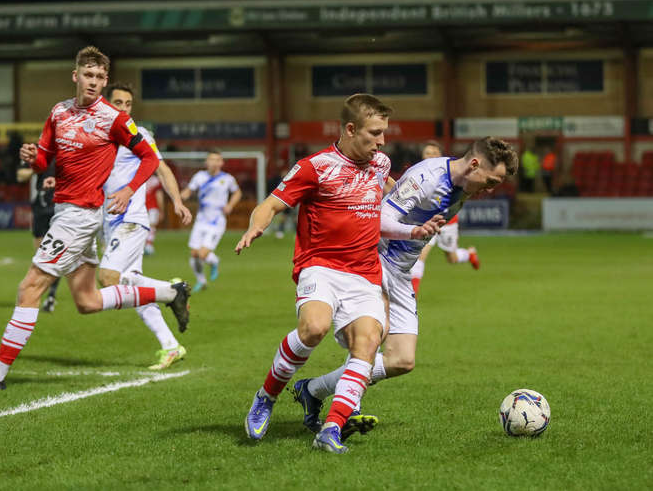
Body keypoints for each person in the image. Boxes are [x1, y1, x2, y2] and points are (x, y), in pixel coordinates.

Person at [0, 46, 191, 391]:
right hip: (66, 211)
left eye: (99, 77)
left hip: (80, 217)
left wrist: (127, 191)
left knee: (29, 287)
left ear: (105, 80)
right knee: (87, 301)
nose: (93, 82)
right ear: (75, 75)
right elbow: (44, 160)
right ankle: (169, 293)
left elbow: (150, 160)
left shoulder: (114, 118)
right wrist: (32, 158)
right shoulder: (58, 112)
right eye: (88, 75)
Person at [291, 137, 519, 441]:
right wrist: (413, 230)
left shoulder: (465, 186)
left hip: (400, 270)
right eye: (491, 181)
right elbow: (382, 219)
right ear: (475, 164)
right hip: (375, 257)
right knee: (374, 336)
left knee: (402, 360)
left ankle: (312, 390)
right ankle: (344, 415)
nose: (491, 189)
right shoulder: (427, 179)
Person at [236, 93, 394, 454]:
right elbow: (270, 204)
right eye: (375, 132)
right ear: (350, 129)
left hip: (365, 274)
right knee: (314, 327)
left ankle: (332, 429)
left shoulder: (381, 164)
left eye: (384, 133)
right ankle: (266, 396)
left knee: (367, 343)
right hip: (320, 266)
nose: (382, 141)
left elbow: (392, 196)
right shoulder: (315, 167)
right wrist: (254, 227)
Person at [97, 82, 193, 371]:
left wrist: (177, 200)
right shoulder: (99, 136)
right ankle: (171, 346)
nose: (124, 108)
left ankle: (173, 290)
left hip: (131, 219)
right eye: (118, 102)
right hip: (109, 222)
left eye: (128, 104)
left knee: (108, 278)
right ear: (106, 103)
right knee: (134, 287)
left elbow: (161, 169)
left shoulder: (138, 134)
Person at [409, 140, 480, 295]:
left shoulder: (451, 173)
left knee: (452, 258)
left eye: (434, 153)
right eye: (427, 153)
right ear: (422, 156)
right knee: (419, 258)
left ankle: (469, 254)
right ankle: (412, 296)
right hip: (427, 221)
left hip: (447, 222)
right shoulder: (417, 173)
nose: (430, 156)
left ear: (441, 156)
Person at [181, 150, 242, 292]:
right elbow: (189, 190)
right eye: (211, 159)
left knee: (202, 254)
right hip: (201, 219)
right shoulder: (199, 176)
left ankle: (214, 261)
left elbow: (237, 192)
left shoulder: (227, 179)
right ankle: (201, 281)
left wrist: (230, 205)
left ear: (221, 163)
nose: (214, 162)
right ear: (206, 162)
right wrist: (180, 197)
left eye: (217, 160)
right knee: (194, 254)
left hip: (216, 221)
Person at [16, 162, 61, 312]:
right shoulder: (34, 153)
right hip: (39, 209)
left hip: (58, 207)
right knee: (40, 255)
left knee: (53, 255)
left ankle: (50, 296)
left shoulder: (62, 150)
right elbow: (20, 176)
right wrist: (36, 168)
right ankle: (43, 293)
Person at [143, 173, 165, 255]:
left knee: (145, 226)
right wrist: (161, 210)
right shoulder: (156, 180)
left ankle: (147, 245)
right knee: (152, 226)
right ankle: (148, 245)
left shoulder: (140, 177)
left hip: (142, 206)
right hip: (152, 207)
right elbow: (159, 195)